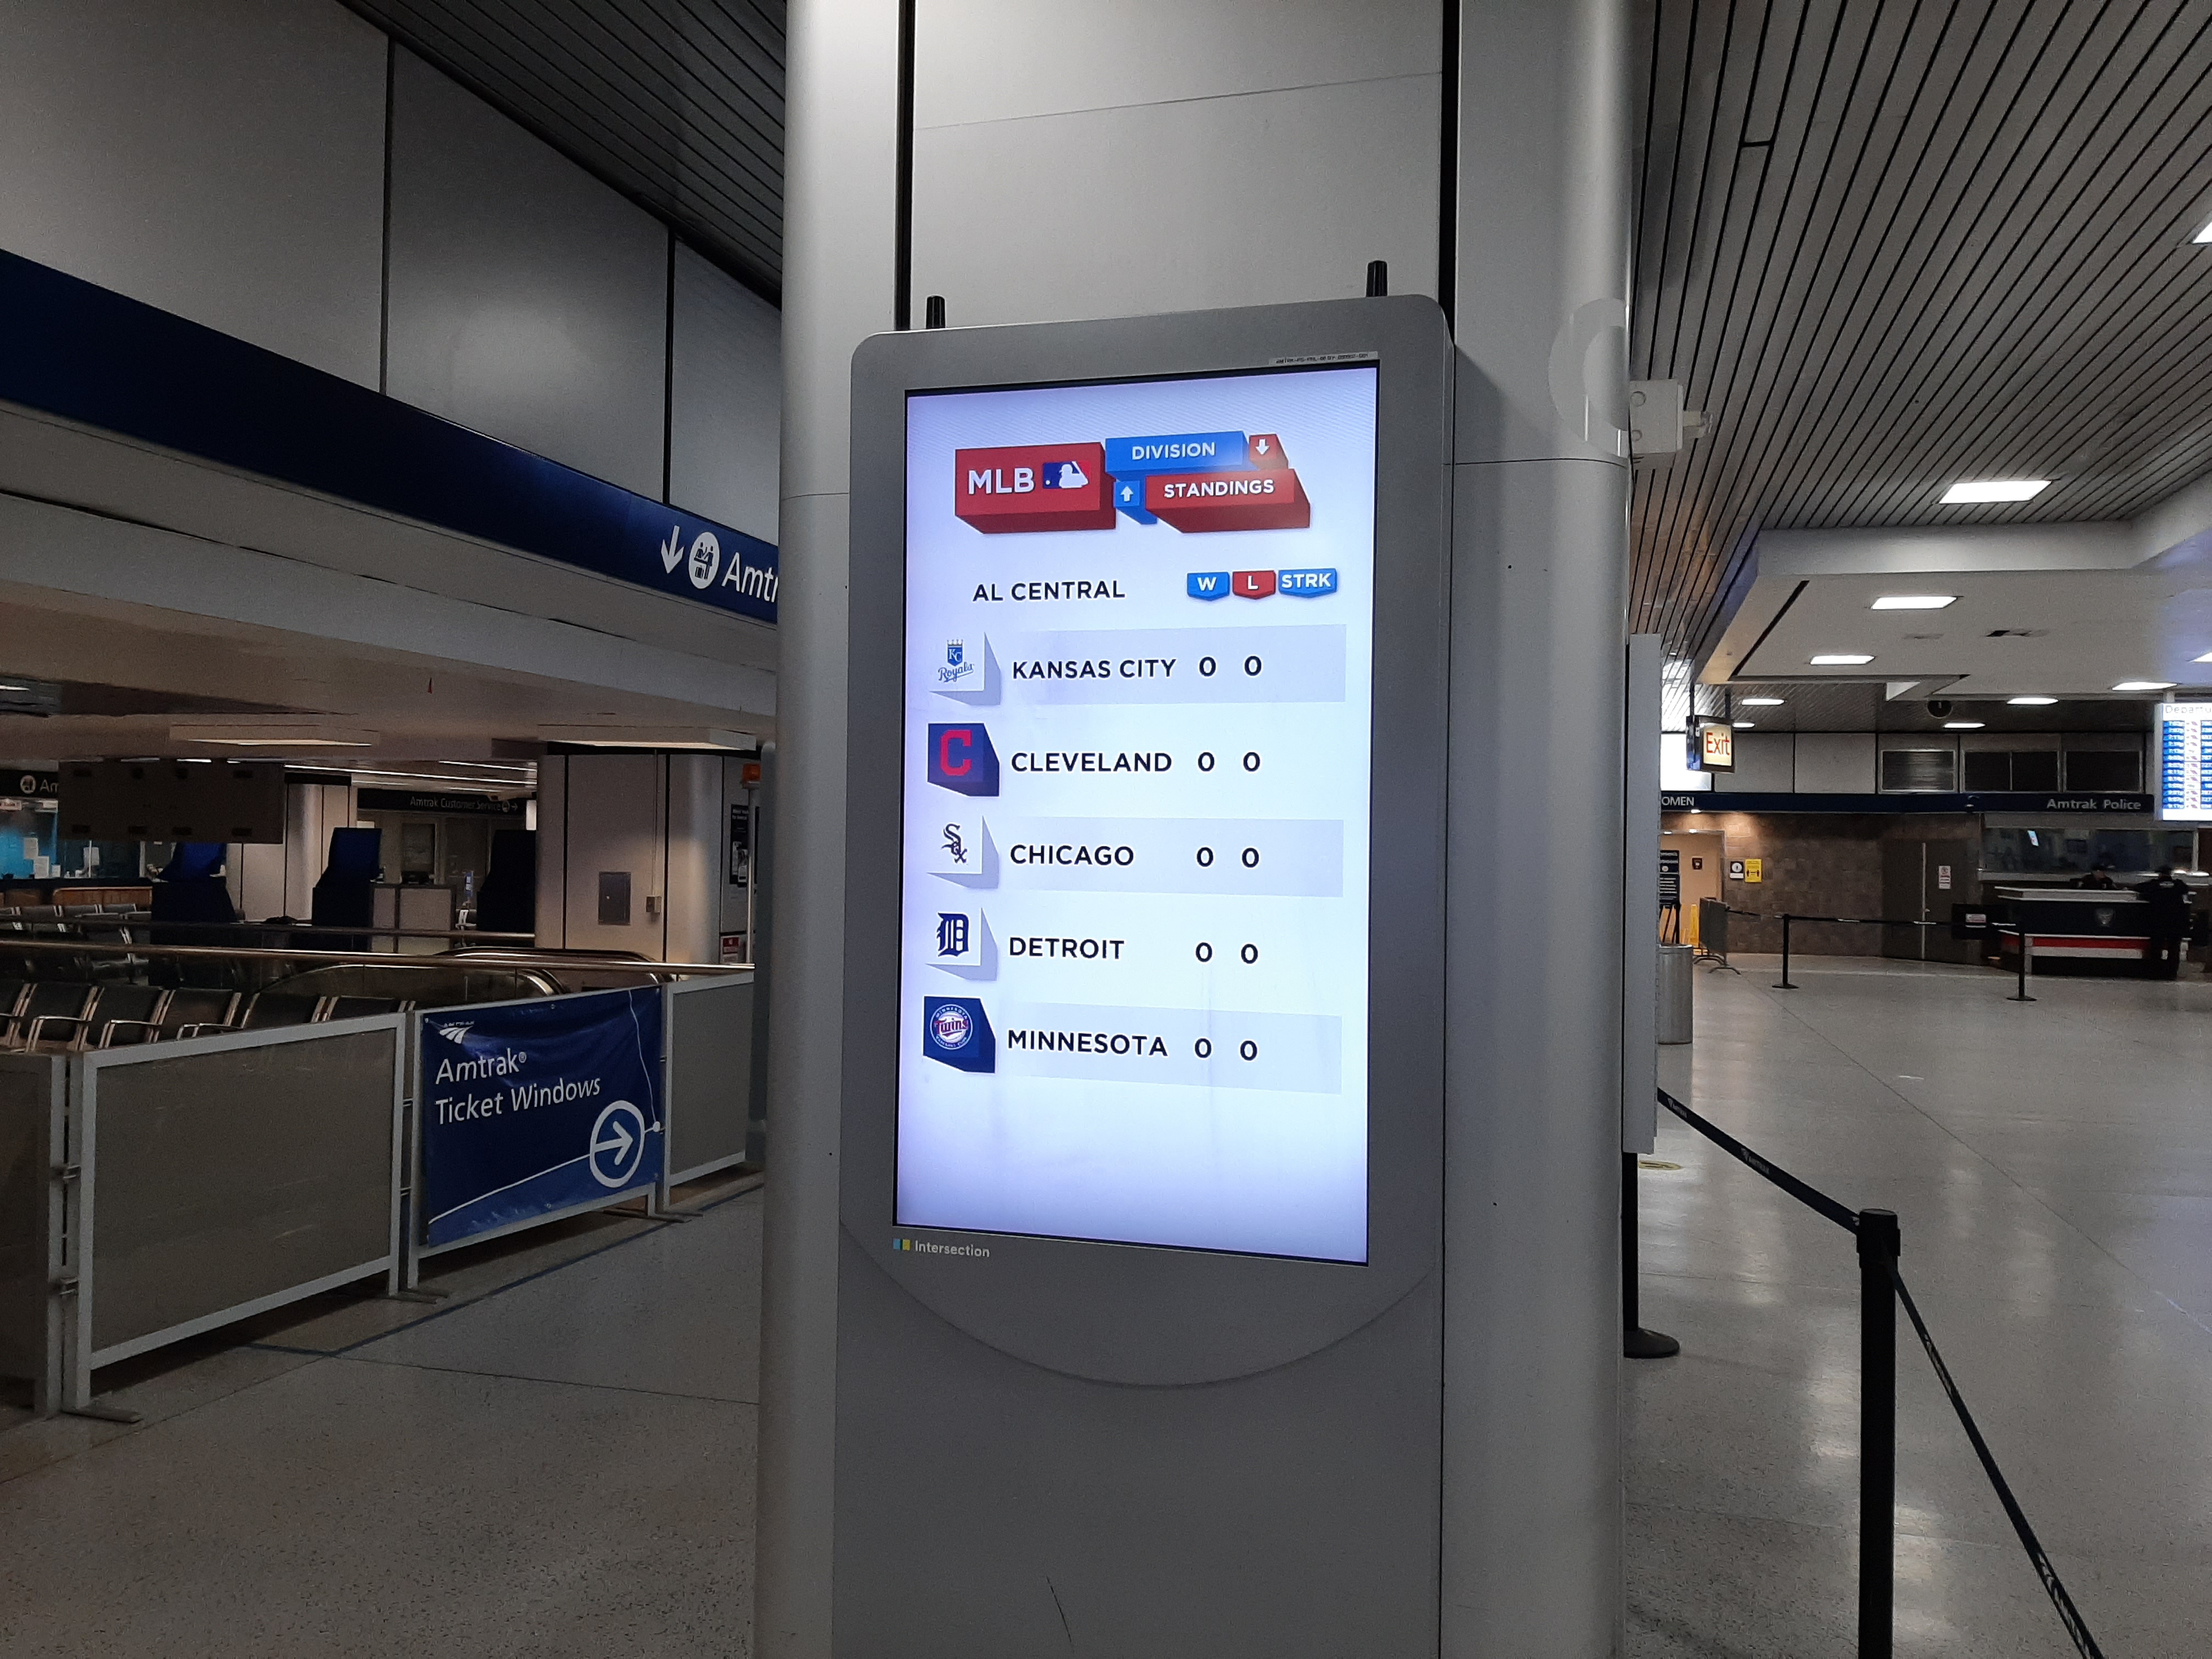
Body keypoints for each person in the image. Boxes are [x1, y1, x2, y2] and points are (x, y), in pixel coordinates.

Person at [2134, 864, 2193, 979]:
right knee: (2174, 949)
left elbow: (2139, 888)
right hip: (2176, 923)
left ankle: (2155, 973)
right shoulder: (2179, 885)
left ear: (2160, 874)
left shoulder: (2154, 885)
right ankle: (2171, 974)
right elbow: (2186, 890)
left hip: (2158, 922)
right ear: (2170, 874)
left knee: (2156, 948)